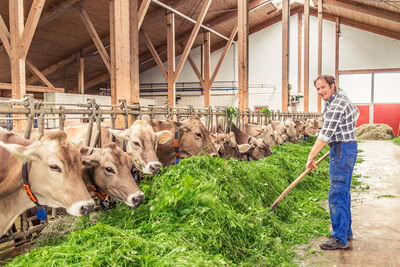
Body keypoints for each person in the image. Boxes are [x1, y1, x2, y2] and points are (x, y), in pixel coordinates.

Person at [306, 75, 360, 250]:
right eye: (318, 89)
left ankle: (339, 238)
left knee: (336, 194)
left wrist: (310, 157)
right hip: (346, 147)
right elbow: (356, 112)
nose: (320, 91)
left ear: (332, 86)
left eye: (323, 87)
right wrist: (342, 135)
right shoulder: (341, 99)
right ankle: (346, 232)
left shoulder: (336, 104)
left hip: (342, 150)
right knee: (343, 192)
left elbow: (324, 135)